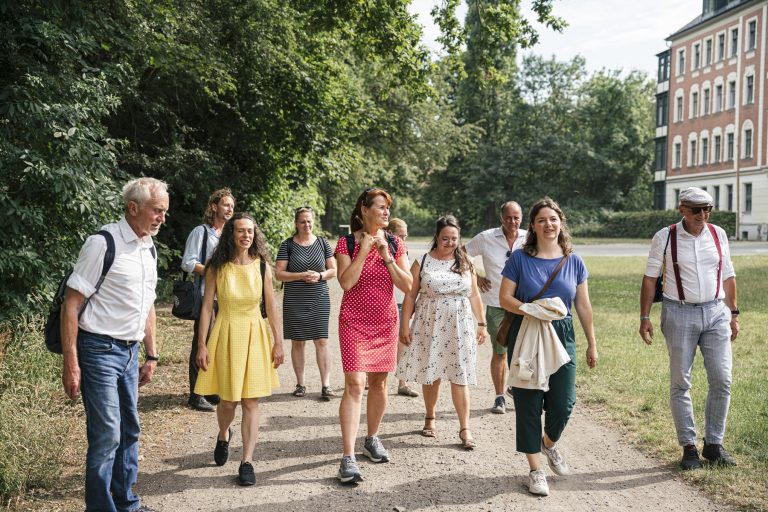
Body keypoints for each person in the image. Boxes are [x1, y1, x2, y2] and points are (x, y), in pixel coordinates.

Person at [61, 177, 168, 512]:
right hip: (98, 351)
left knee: (129, 429)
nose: (161, 218)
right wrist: (71, 361)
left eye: (165, 211)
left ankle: (125, 503)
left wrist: (151, 353)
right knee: (107, 433)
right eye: (156, 210)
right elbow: (71, 303)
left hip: (130, 352)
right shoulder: (102, 243)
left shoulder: (149, 247)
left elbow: (147, 304)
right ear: (132, 208)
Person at [499, 197, 598, 497]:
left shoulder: (573, 260)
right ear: (533, 225)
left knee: (564, 402)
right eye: (541, 220)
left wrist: (592, 343)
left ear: (561, 222)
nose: (548, 224)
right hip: (527, 330)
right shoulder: (519, 259)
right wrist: (530, 310)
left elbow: (582, 304)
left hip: (563, 333)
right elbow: (505, 298)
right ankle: (535, 470)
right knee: (528, 402)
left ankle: (548, 443)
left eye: (553, 219)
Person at [639, 187, 739, 470]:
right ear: (682, 209)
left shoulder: (718, 234)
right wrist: (644, 317)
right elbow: (649, 279)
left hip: (716, 312)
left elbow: (729, 275)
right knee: (681, 382)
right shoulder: (665, 237)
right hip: (678, 312)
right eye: (697, 210)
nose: (703, 215)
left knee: (722, 379)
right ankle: (689, 447)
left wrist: (734, 313)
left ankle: (713, 445)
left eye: (708, 209)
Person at [195, 213, 285, 486]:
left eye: (250, 231)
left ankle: (247, 461)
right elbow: (207, 307)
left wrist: (278, 341)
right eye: (241, 231)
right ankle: (224, 433)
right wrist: (201, 344)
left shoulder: (262, 268)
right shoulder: (217, 267)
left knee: (250, 401)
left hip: (254, 333)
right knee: (228, 400)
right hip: (225, 331)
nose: (246, 235)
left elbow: (271, 307)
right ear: (231, 235)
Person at [334, 188, 412, 483]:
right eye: (380, 207)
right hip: (354, 322)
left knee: (379, 382)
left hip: (384, 321)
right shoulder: (346, 243)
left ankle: (372, 437)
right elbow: (346, 282)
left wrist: (386, 255)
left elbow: (407, 286)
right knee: (355, 383)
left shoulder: (395, 243)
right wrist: (365, 249)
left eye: (387, 208)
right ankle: (348, 456)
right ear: (364, 210)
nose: (386, 212)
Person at [398, 215, 487, 449]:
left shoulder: (466, 262)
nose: (449, 242)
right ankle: (430, 416)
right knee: (432, 373)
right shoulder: (423, 261)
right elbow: (410, 295)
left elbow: (475, 295)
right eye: (445, 238)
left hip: (460, 324)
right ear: (436, 237)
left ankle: (465, 428)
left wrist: (482, 323)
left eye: (454, 238)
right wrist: (404, 324)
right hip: (430, 323)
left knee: (461, 376)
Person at [464, 201, 527, 414]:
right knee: (500, 351)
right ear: (501, 218)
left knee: (524, 351)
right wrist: (477, 276)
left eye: (516, 217)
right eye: (508, 217)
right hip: (496, 303)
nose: (513, 222)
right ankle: (500, 396)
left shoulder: (529, 237)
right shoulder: (486, 237)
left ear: (522, 217)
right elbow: (461, 254)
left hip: (523, 304)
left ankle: (515, 388)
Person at [181, 188, 235, 412]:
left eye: (232, 206)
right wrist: (213, 273)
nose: (230, 209)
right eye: (225, 205)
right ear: (214, 207)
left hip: (228, 298)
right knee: (202, 343)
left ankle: (211, 388)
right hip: (206, 297)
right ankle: (196, 394)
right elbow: (187, 262)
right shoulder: (201, 232)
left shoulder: (230, 235)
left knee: (219, 344)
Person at [275, 206, 337, 401]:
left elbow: (333, 270)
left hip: (319, 297)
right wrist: (300, 275)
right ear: (296, 223)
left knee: (322, 340)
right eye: (302, 221)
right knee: (298, 342)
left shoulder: (322, 243)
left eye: (309, 221)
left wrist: (319, 275)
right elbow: (279, 273)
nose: (306, 225)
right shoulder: (287, 245)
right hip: (295, 299)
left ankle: (326, 385)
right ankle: (300, 384)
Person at [387, 217, 418, 398]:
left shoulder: (402, 250)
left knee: (403, 342)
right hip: (385, 302)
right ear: (390, 233)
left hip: (401, 302)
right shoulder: (381, 250)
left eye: (405, 236)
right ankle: (369, 378)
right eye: (400, 236)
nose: (403, 240)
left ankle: (402, 382)